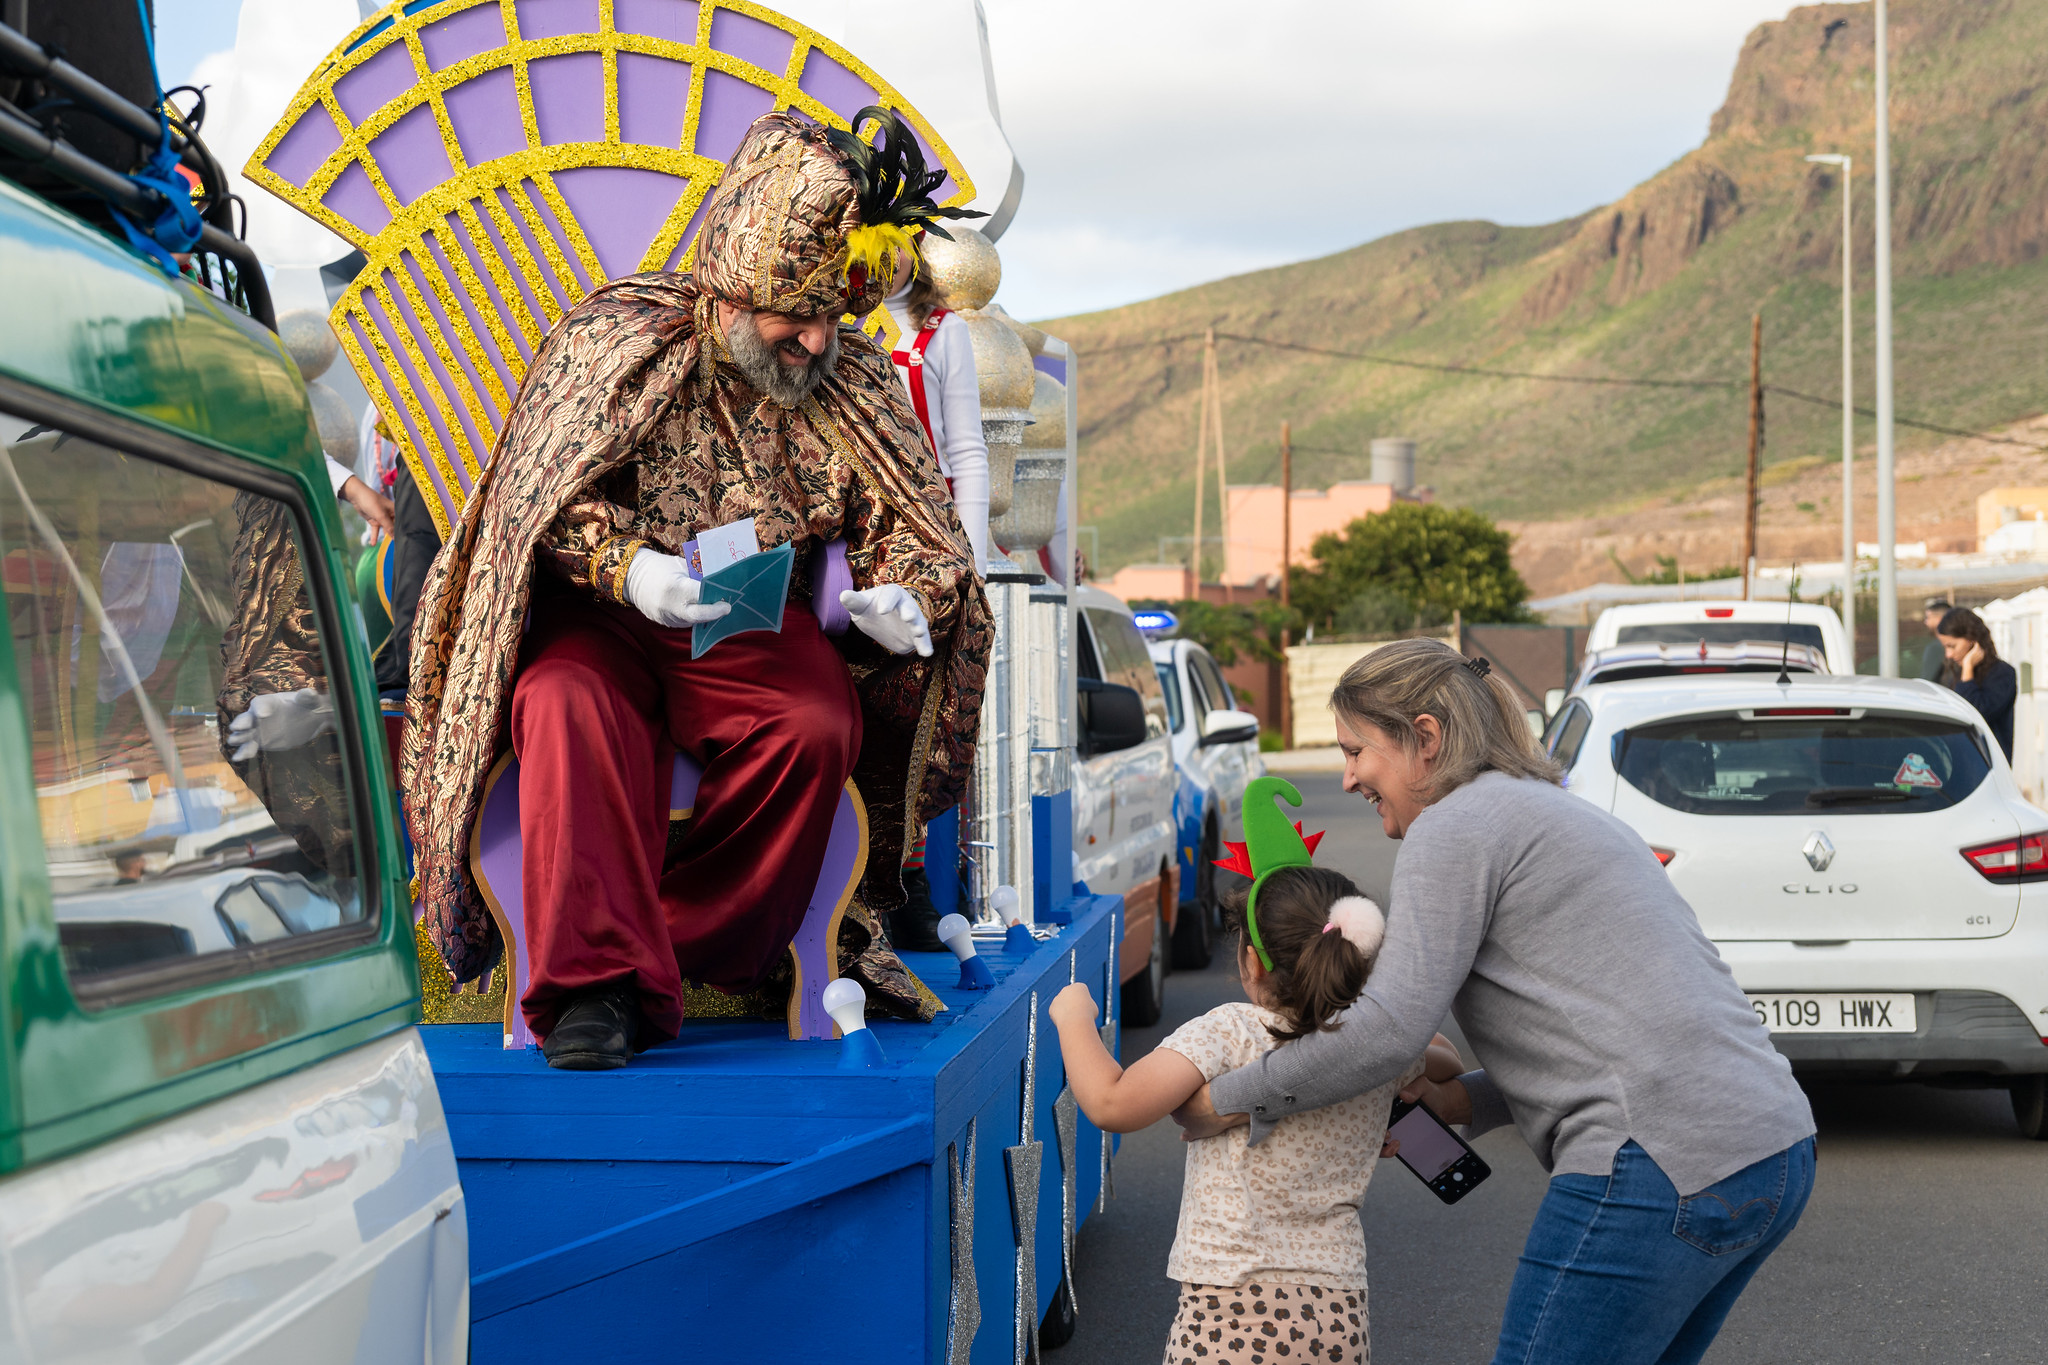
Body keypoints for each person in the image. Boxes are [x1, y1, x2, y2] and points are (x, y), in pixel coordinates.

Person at [402, 107, 993, 1070]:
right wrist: (627, 568)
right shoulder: (616, 337)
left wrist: (908, 598)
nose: (815, 341)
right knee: (561, 700)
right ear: (733, 289)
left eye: (830, 318)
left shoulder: (854, 379)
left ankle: (681, 947)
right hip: (601, 613)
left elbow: (914, 522)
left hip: (751, 620)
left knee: (816, 720)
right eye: (794, 317)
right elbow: (531, 495)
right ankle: (593, 989)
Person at [1173, 640, 1816, 1365]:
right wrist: (1458, 1103)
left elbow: (1386, 1031)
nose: (1347, 777)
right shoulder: (1554, 812)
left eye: (1355, 751)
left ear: (1425, 737)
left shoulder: (1454, 825)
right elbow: (1608, 1034)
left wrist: (1227, 1099)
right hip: (1770, 1145)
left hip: (1662, 1160)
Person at [1050, 777, 1462, 1365]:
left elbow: (1112, 1103)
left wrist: (1073, 1017)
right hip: (1337, 1313)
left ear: (1252, 960)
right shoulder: (1373, 1048)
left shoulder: (1230, 1032)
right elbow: (1445, 1058)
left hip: (1230, 1315)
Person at [881, 244, 990, 950]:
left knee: (919, 710)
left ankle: (909, 879)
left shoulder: (943, 333)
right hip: (855, 538)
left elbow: (968, 451)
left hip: (929, 544)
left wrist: (967, 561)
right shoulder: (829, 328)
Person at [1936, 606, 2017, 759]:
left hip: (1986, 767)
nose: (1948, 654)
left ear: (1972, 640)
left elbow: (1975, 713)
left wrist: (1968, 669)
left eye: (1952, 646)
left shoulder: (2002, 674)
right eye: (1945, 647)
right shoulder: (1955, 674)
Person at [1918, 597, 1953, 683]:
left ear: (1939, 619)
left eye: (1928, 618)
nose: (1926, 622)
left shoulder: (1935, 648)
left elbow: (1927, 680)